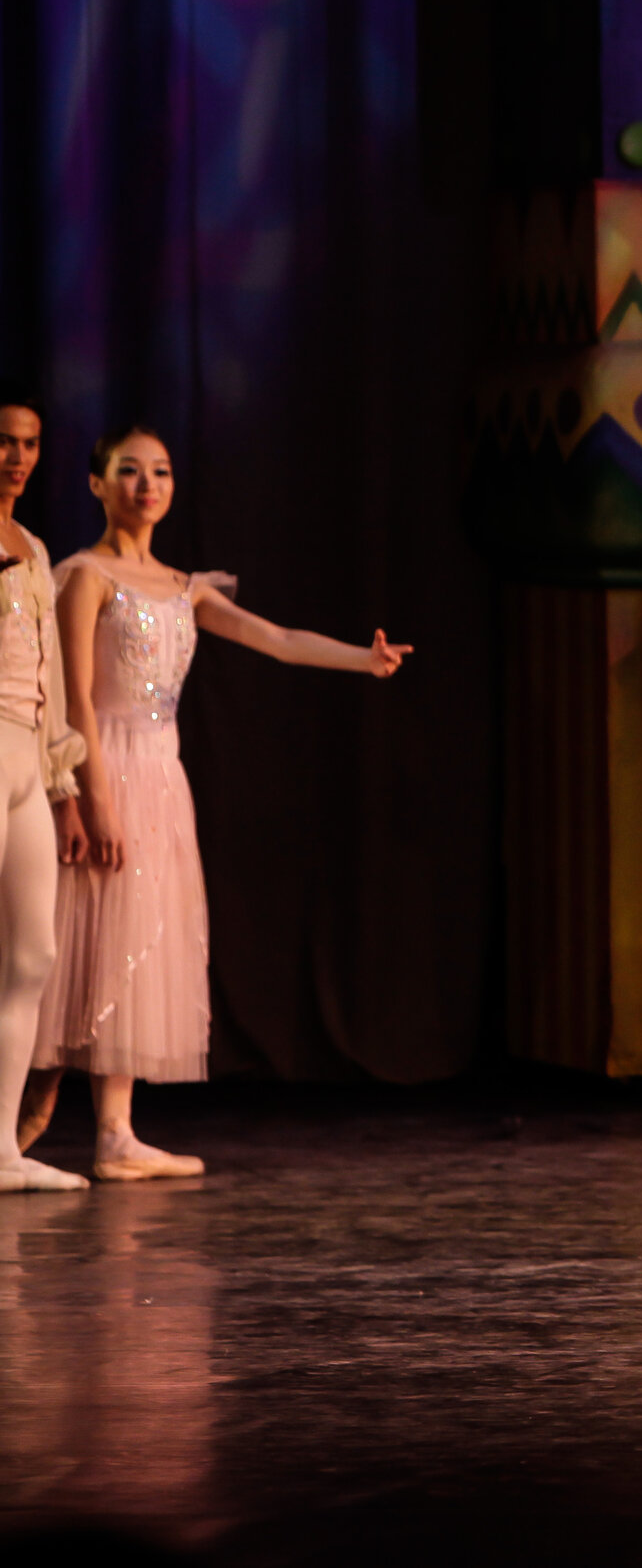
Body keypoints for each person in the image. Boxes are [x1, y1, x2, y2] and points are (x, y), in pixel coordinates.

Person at [18, 427, 412, 1180]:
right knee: (78, 943)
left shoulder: (185, 585)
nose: (147, 484)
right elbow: (73, 701)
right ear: (97, 485)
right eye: (128, 471)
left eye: (160, 471)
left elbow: (279, 639)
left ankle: (115, 1130)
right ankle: (26, 1117)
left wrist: (363, 658)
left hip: (164, 776)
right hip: (107, 766)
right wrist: (91, 799)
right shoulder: (85, 576)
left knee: (135, 943)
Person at [0, 392, 87, 1193]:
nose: (15, 458)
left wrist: (64, 788)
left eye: (27, 443)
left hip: (28, 751)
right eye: (2, 442)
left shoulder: (32, 546)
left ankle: (2, 1149)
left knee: (32, 952)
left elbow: (53, 679)